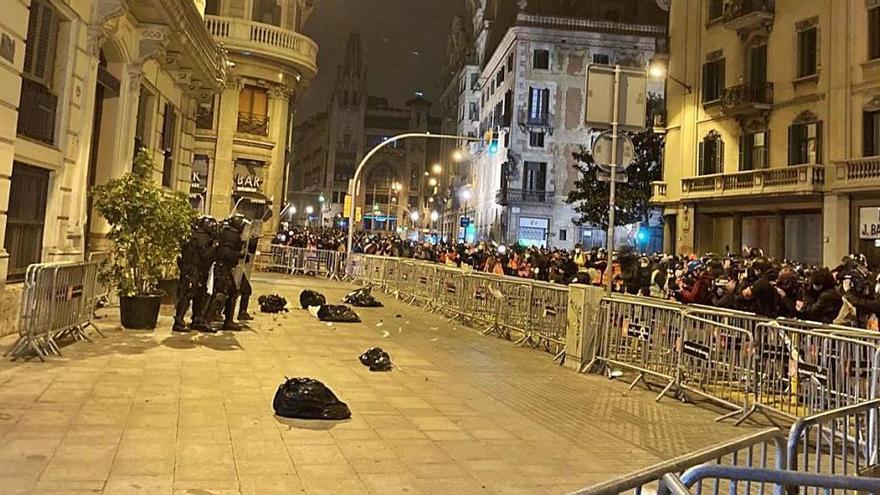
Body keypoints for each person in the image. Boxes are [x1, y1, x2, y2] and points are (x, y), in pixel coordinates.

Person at [173, 216, 218, 333]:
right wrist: (214, 247)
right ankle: (179, 321)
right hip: (194, 270)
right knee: (189, 294)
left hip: (193, 270)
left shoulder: (196, 236)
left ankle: (196, 320)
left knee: (199, 295)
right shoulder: (201, 238)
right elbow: (205, 255)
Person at [206, 215, 250, 330]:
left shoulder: (227, 233)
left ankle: (225, 320)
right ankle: (208, 319)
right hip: (223, 268)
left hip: (223, 267)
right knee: (221, 294)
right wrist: (239, 254)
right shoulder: (232, 236)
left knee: (230, 292)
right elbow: (226, 252)